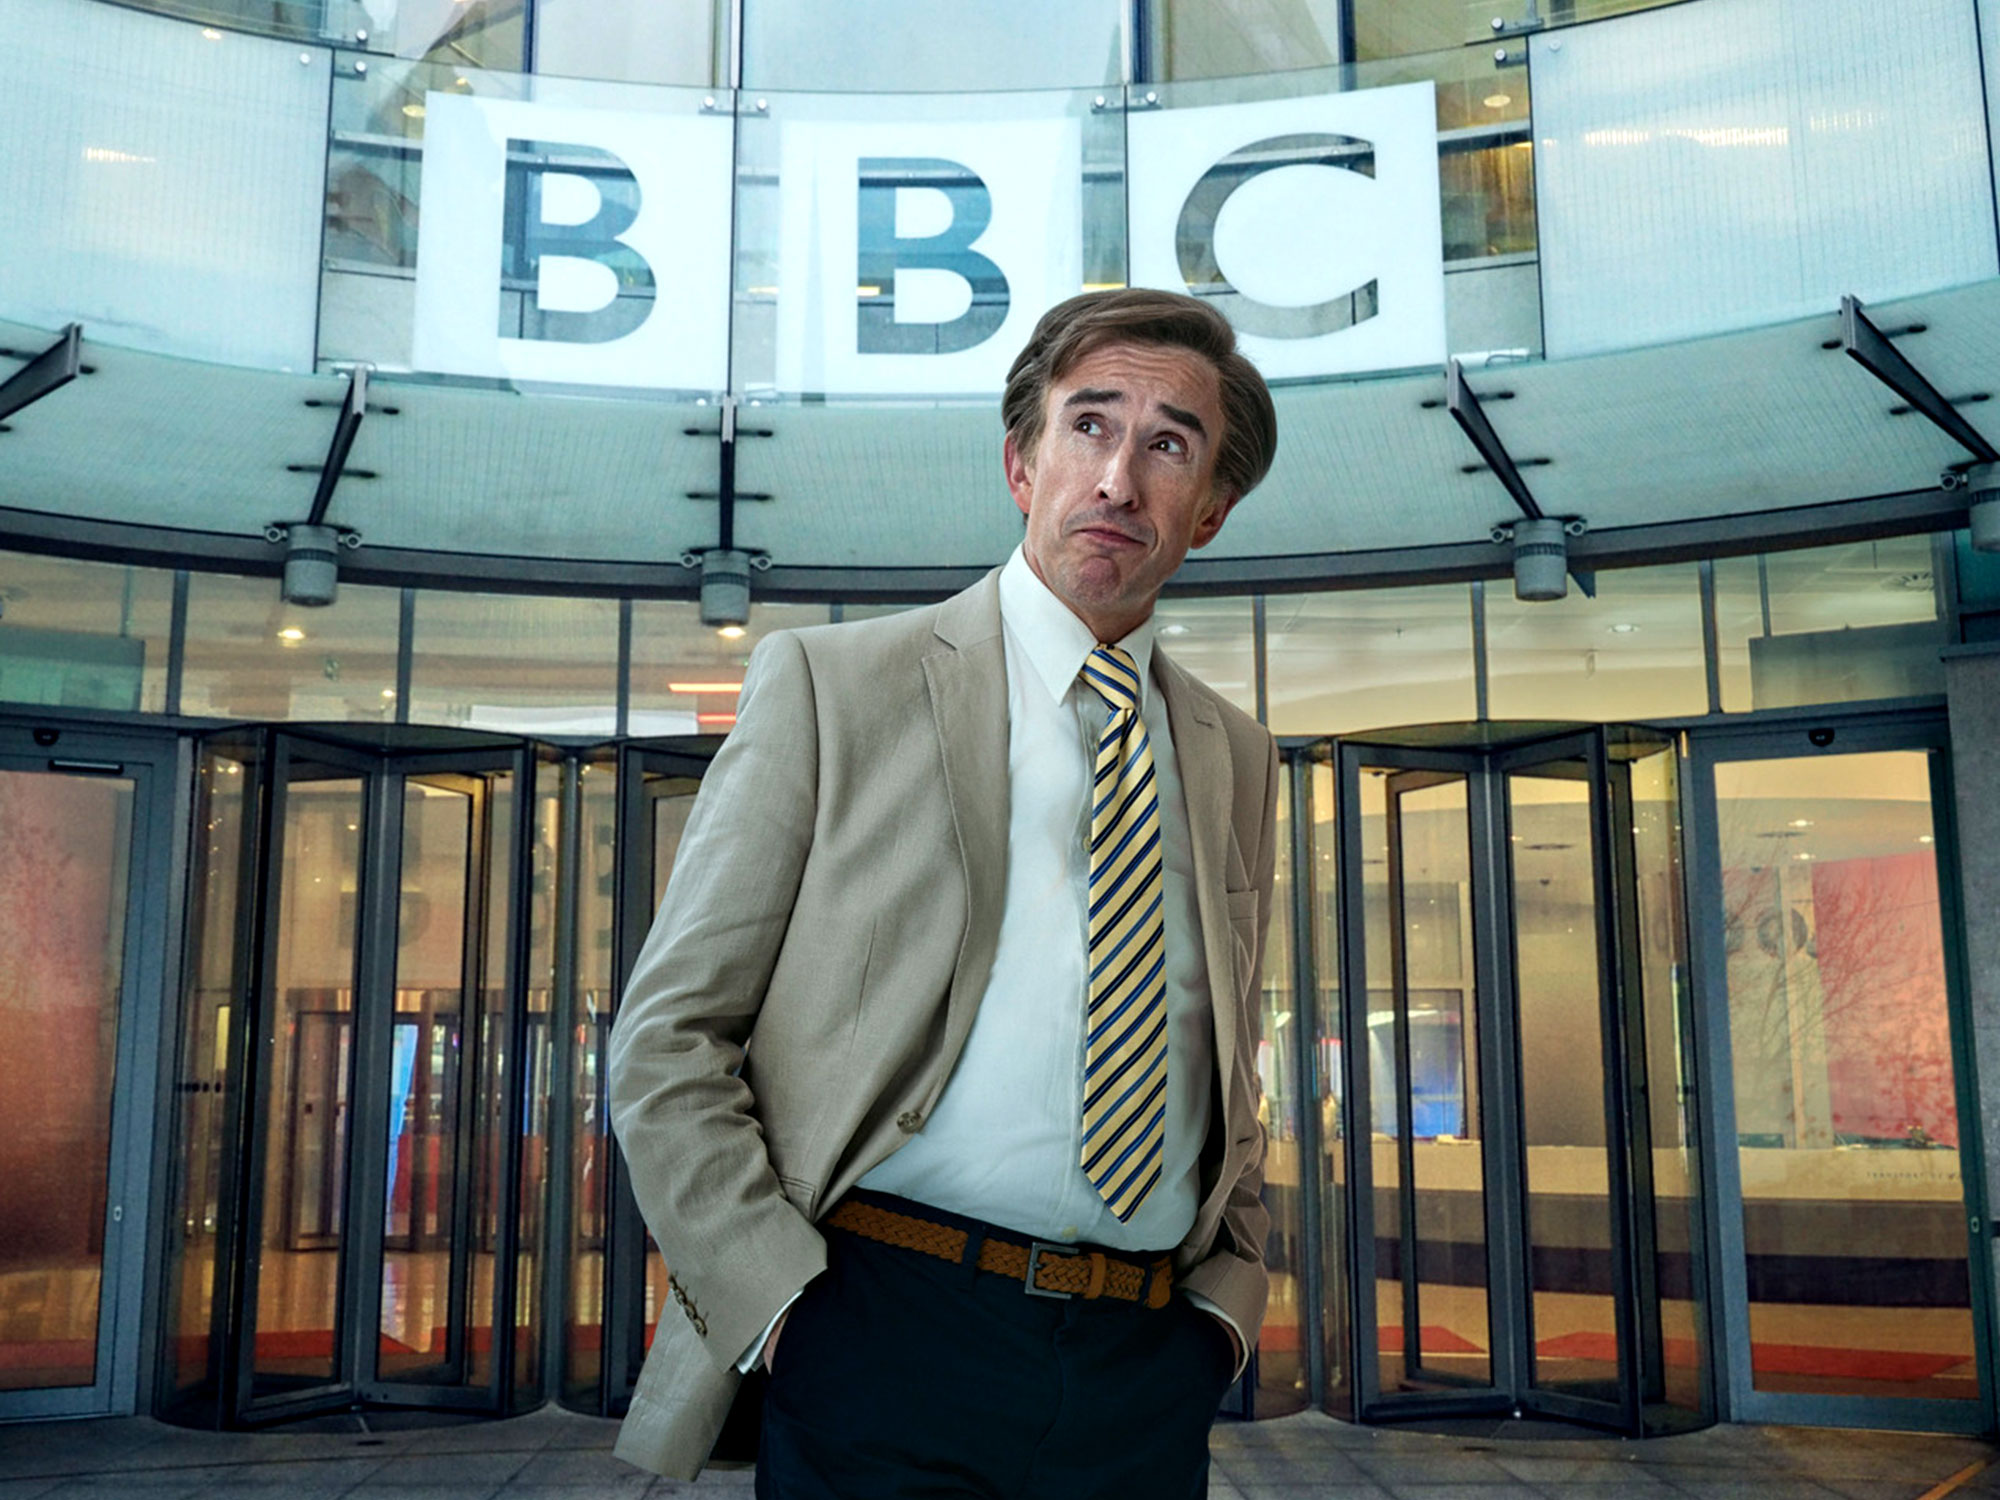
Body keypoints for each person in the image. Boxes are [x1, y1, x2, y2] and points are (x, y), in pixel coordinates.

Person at [607, 287, 1281, 1498]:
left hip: (1142, 1368)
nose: (1118, 478)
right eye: (1088, 425)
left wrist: (1221, 1315)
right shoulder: (833, 687)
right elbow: (668, 1039)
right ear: (1021, 464)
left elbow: (1228, 1060)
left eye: (1168, 444)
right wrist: (781, 1311)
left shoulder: (1233, 752)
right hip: (876, 1331)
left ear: (1211, 510)